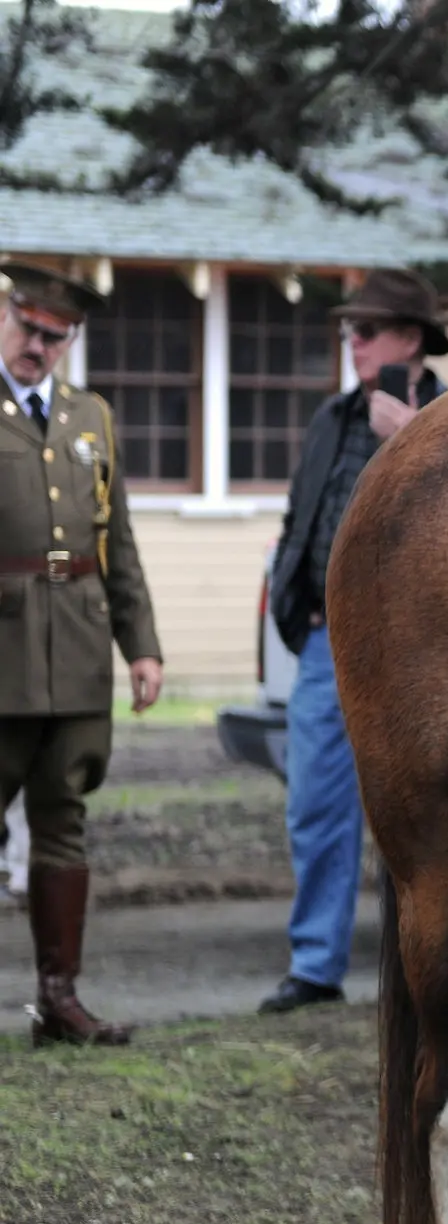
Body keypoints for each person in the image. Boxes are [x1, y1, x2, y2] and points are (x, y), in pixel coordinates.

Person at [261, 270, 448, 1013]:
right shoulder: (330, 419)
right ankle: (314, 967)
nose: (354, 344)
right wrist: (286, 590)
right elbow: (297, 518)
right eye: (349, 331)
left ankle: (428, 966)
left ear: (409, 339)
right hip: (323, 647)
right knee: (314, 806)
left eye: (366, 331)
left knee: (427, 814)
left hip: (419, 658)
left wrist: (411, 437)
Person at [0, 263, 162, 1044]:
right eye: (27, 329)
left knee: (63, 821)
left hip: (78, 649)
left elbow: (117, 541)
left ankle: (59, 1001)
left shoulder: (89, 417)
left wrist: (143, 646)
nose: (37, 347)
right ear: (6, 318)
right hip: (2, 653)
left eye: (52, 337)